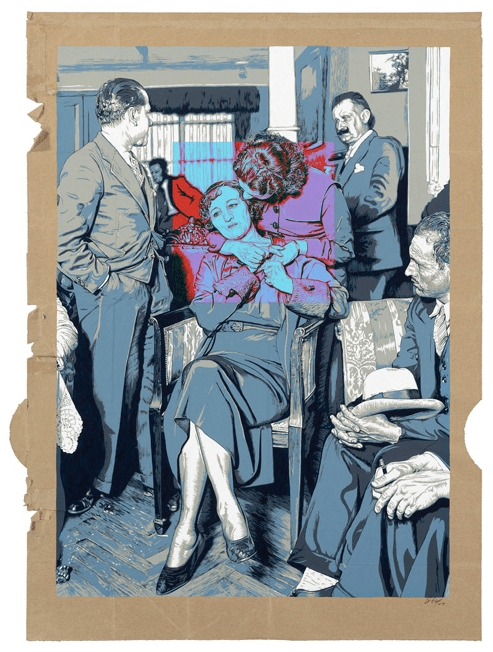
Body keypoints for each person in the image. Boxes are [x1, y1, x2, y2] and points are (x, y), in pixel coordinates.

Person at [156, 181, 349, 595]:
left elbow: (336, 303)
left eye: (232, 206)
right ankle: (220, 512)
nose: (227, 216)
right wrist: (243, 273)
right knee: (203, 376)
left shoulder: (288, 252)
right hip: (218, 360)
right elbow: (207, 317)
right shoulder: (215, 261)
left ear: (249, 207)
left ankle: (188, 531)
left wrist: (285, 282)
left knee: (197, 386)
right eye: (217, 213)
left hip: (270, 370)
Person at [288, 212, 450, 597]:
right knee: (343, 441)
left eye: (420, 264)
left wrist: (394, 430)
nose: (408, 271)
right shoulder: (422, 308)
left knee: (385, 460)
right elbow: (405, 373)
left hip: (455, 443)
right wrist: (362, 412)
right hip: (427, 422)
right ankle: (319, 570)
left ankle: (356, 586)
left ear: (453, 268)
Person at [57, 78, 172, 514]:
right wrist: (109, 283)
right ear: (133, 115)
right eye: (147, 114)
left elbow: (137, 228)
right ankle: (96, 480)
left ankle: (149, 473)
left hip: (148, 293)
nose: (150, 122)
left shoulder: (134, 163)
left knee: (145, 390)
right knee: (107, 394)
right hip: (112, 298)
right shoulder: (86, 164)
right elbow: (64, 243)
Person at [206, 131, 354, 286]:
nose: (245, 196)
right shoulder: (249, 180)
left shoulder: (325, 191)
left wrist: (300, 247)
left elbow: (345, 249)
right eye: (242, 188)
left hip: (319, 278)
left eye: (254, 194)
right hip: (270, 274)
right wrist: (232, 246)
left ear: (278, 188)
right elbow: (207, 229)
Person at [332, 91, 407, 300]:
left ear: (365, 116)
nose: (340, 126)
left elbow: (379, 198)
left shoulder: (383, 146)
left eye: (346, 118)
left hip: (374, 259)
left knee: (364, 316)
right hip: (352, 258)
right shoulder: (345, 158)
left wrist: (334, 217)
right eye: (336, 120)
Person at [148, 157, 203, 233]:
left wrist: (193, 215)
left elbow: (199, 197)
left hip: (186, 216)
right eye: (152, 173)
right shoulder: (157, 191)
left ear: (164, 170)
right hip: (170, 220)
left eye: (157, 172)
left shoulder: (178, 182)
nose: (154, 176)